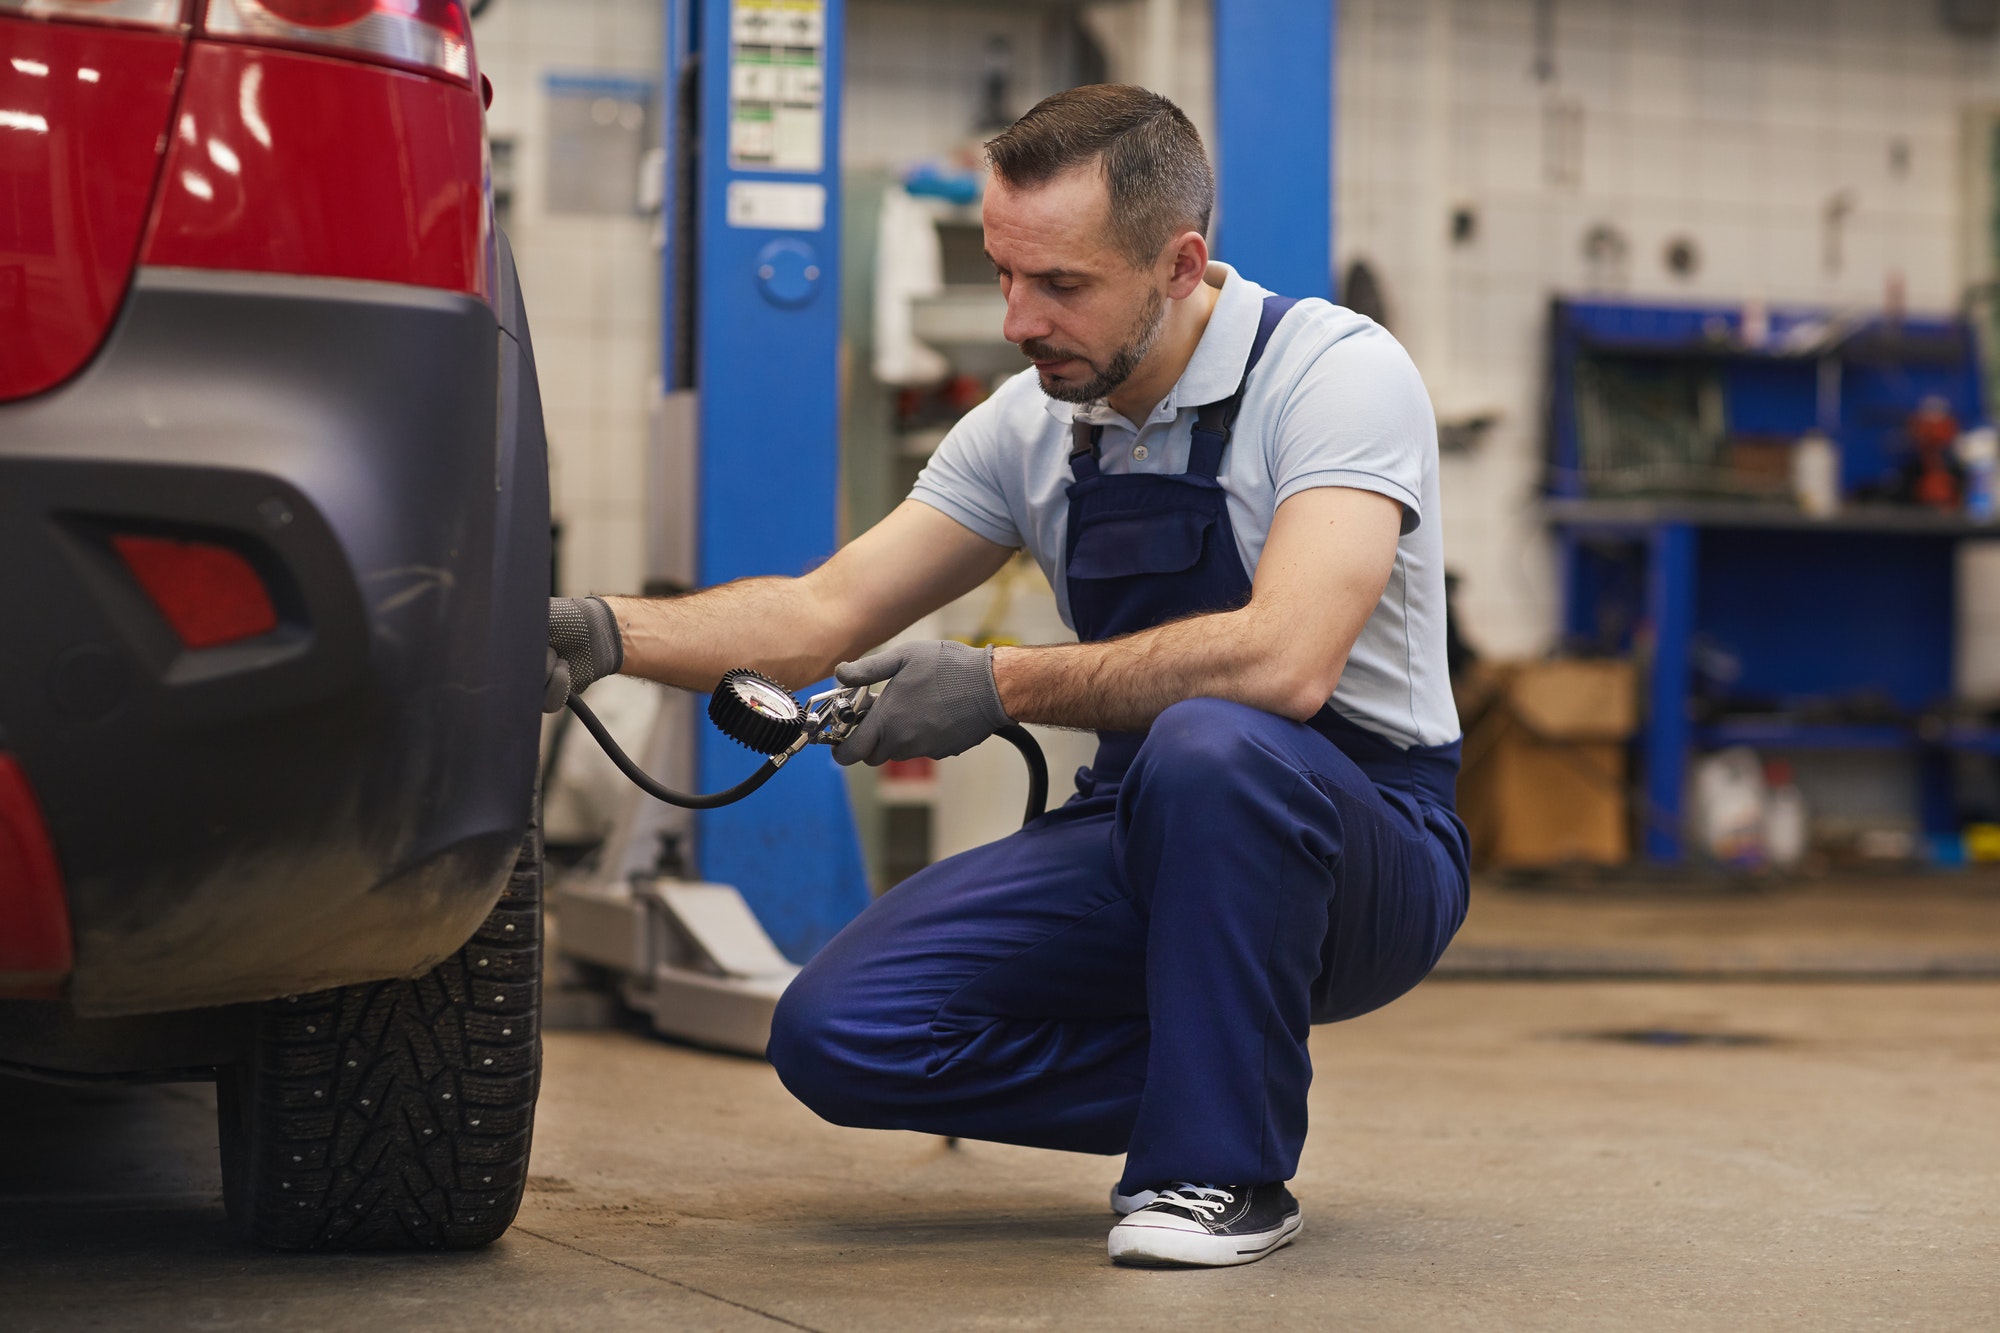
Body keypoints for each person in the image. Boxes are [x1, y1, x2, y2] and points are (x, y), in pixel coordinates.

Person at [544, 84, 1467, 1270]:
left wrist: (998, 685)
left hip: (1366, 838)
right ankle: (1221, 1069)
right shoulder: (1028, 423)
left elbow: (1282, 663)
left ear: (1178, 264)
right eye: (1003, 275)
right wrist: (596, 631)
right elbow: (817, 614)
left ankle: (1218, 1170)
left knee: (1210, 742)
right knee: (838, 1033)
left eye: (1062, 285)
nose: (1019, 321)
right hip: (1138, 818)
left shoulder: (1334, 373)